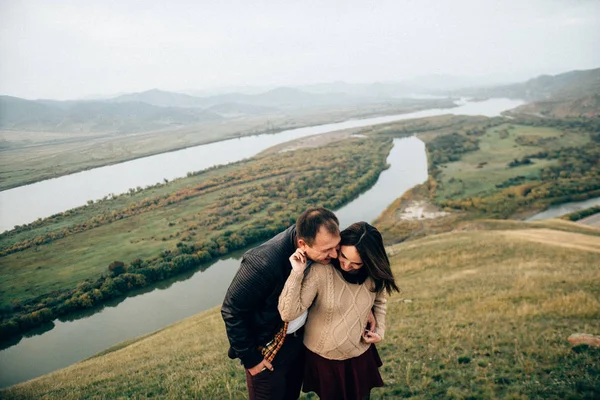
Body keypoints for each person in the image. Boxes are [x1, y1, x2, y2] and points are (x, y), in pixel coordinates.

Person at [221, 207, 342, 400]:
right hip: (268, 349)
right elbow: (231, 310)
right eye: (327, 250)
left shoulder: (322, 245)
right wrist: (251, 359)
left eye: (336, 247)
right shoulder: (263, 263)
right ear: (302, 244)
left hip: (298, 343)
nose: (335, 255)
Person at [278, 221, 400, 400]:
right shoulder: (321, 271)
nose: (346, 265)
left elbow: (379, 302)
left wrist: (379, 331)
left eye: (356, 264)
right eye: (343, 256)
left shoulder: (374, 275)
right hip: (324, 359)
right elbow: (287, 313)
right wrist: (296, 274)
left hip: (359, 355)